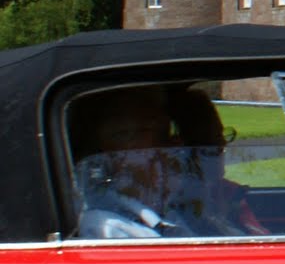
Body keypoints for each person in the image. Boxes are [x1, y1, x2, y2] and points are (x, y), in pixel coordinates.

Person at [68, 84, 263, 238]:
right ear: (116, 156)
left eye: (168, 135)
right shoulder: (109, 229)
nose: (174, 148)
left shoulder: (170, 210)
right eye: (158, 137)